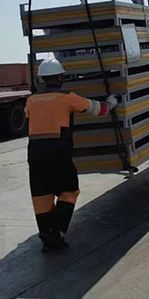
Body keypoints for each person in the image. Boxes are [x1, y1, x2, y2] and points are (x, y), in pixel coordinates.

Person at [25, 58, 117, 252]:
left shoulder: (31, 101)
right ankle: (56, 230)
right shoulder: (67, 98)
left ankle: (47, 236)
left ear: (42, 79)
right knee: (69, 190)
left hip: (35, 154)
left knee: (41, 196)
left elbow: (30, 116)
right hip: (58, 152)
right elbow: (97, 109)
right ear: (60, 78)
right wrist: (110, 103)